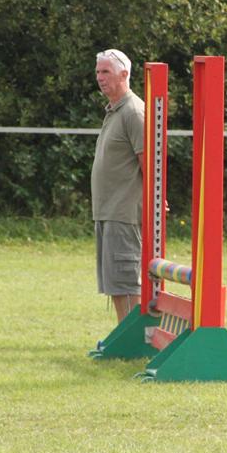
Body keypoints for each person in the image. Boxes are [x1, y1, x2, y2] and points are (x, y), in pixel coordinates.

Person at [91, 48, 145, 322]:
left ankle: (136, 337)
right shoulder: (113, 111)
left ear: (124, 74)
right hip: (107, 210)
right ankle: (123, 334)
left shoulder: (134, 112)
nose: (100, 78)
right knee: (114, 281)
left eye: (106, 72)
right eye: (98, 72)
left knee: (128, 279)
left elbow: (149, 162)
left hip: (125, 212)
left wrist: (157, 200)